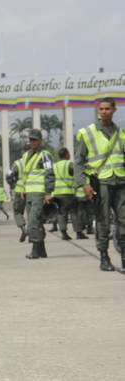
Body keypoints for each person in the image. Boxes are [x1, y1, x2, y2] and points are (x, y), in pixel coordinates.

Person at [73, 97, 125, 273]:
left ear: (114, 110)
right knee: (102, 219)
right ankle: (104, 256)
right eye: (101, 109)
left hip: (120, 181)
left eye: (107, 109)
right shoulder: (87, 133)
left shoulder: (121, 133)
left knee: (123, 220)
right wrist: (83, 184)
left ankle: (124, 257)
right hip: (101, 181)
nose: (103, 112)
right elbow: (78, 161)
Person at [20, 129, 55, 259]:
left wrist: (48, 192)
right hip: (29, 193)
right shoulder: (27, 155)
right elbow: (25, 174)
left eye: (35, 139)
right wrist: (23, 189)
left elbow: (49, 173)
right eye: (30, 139)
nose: (32, 142)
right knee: (36, 222)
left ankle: (35, 250)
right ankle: (42, 250)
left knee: (34, 221)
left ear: (41, 140)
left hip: (40, 193)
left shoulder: (45, 155)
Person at [52, 147, 84, 240]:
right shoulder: (69, 164)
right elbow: (77, 173)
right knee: (74, 212)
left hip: (57, 193)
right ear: (66, 155)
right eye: (69, 153)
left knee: (61, 213)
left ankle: (64, 233)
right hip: (68, 192)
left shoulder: (55, 166)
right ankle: (78, 233)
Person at [7, 144, 31, 242]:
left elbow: (8, 175)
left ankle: (24, 229)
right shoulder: (37, 161)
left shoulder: (17, 163)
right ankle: (33, 234)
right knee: (31, 214)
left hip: (19, 190)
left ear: (22, 152)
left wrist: (12, 184)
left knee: (17, 211)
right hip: (33, 190)